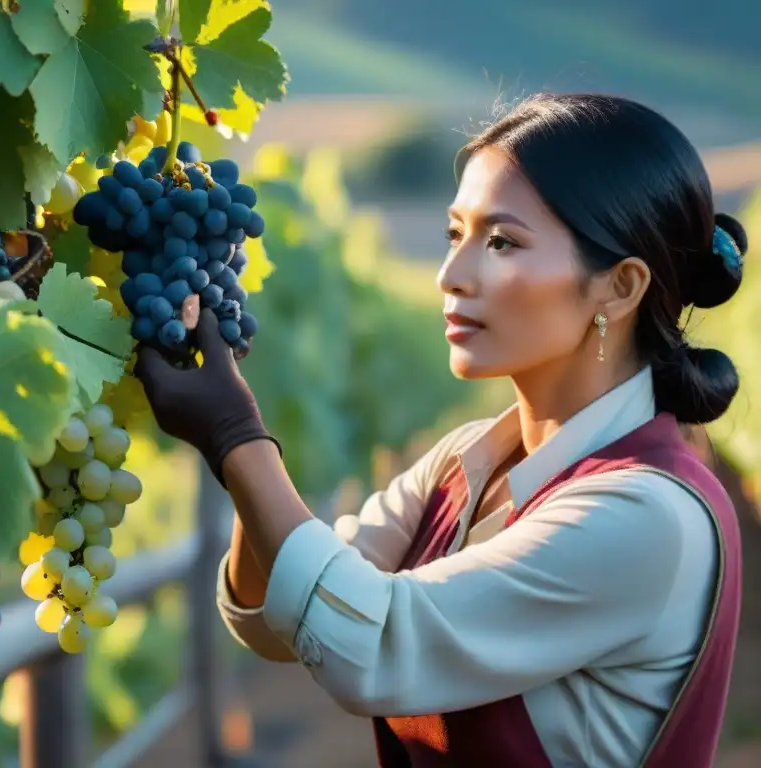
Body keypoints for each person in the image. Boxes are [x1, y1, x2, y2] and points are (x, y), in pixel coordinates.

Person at [133, 93, 745, 768]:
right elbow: (284, 616)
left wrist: (235, 434)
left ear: (620, 287)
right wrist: (234, 443)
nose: (451, 276)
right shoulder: (466, 462)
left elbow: (369, 644)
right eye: (456, 235)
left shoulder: (647, 515)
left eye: (502, 242)